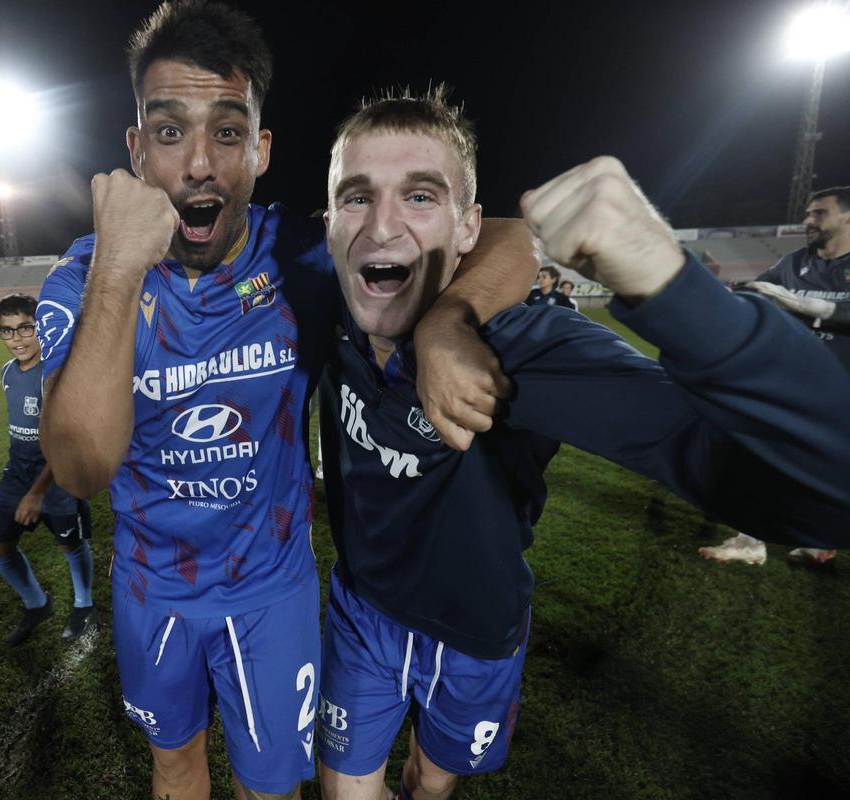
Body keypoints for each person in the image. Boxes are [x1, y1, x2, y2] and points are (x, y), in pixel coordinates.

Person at [34, 4, 535, 798]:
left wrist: (447, 321)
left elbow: (516, 236)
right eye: (168, 132)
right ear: (133, 150)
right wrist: (120, 272)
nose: (199, 163)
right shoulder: (85, 280)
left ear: (260, 150)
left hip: (272, 592)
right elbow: (80, 466)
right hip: (149, 590)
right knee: (174, 766)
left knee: (271, 787)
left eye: (227, 133)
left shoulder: (300, 257)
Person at [314, 92, 850, 800]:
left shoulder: (523, 349)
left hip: (476, 632)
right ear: (328, 223)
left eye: (419, 196)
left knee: (430, 784)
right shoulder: (329, 301)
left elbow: (825, 495)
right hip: (361, 611)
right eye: (357, 197)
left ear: (466, 225)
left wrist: (675, 289)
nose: (381, 224)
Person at [699, 186, 850, 567]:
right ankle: (750, 541)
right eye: (808, 213)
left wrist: (807, 306)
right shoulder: (794, 262)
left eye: (818, 213)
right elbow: (753, 292)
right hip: (795, 384)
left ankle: (819, 538)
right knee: (762, 458)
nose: (807, 220)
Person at [0, 294, 95, 645]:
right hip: (17, 472)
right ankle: (37, 604)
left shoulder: (55, 375)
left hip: (57, 476)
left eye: (25, 328)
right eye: (7, 331)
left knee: (70, 544)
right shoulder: (6, 372)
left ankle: (84, 604)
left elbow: (65, 441)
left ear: (40, 328)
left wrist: (36, 494)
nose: (16, 339)